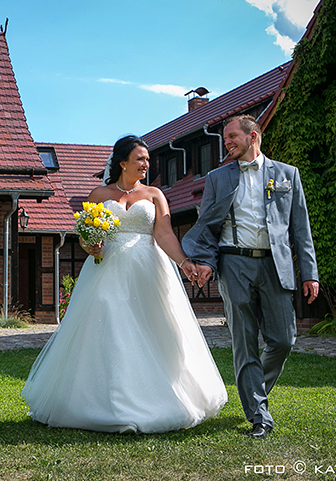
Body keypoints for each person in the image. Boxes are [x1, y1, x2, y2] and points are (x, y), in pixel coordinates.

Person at [21, 135, 227, 433]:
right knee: (109, 324)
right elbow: (85, 233)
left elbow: (165, 234)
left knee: (156, 327)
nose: (146, 164)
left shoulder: (155, 194)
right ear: (122, 162)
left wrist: (184, 262)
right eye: (140, 159)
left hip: (149, 269)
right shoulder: (98, 193)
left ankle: (164, 395)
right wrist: (89, 245)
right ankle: (101, 401)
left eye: (147, 159)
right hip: (107, 268)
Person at [182, 115, 319, 439]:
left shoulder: (288, 175)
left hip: (275, 265)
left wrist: (310, 273)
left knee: (284, 340)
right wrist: (206, 262)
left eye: (231, 137)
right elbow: (208, 228)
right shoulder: (218, 177)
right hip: (234, 264)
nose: (226, 142)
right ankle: (259, 414)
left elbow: (301, 228)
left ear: (252, 135)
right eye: (225, 138)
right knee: (244, 342)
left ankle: (255, 393)